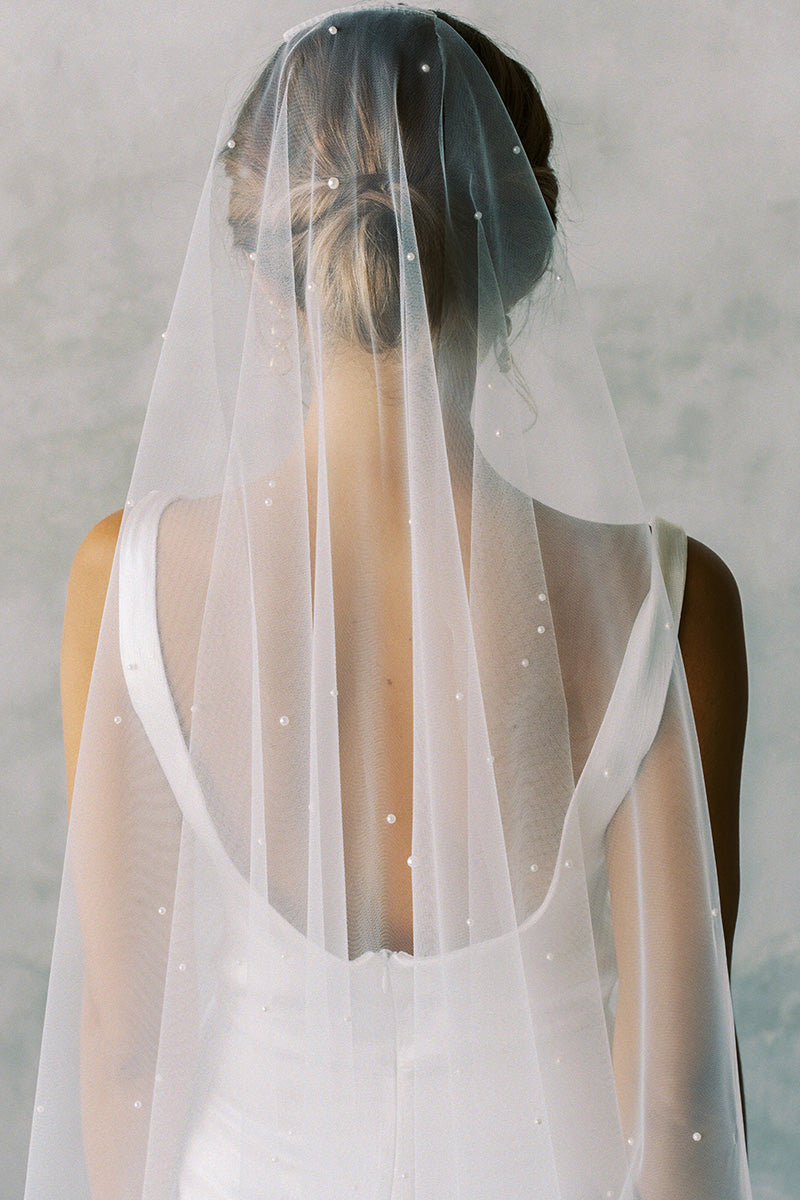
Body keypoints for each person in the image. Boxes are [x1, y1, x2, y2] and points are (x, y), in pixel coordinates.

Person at [26, 7, 751, 1199]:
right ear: (519, 255)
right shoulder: (663, 605)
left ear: (263, 271)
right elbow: (678, 1095)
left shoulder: (133, 581)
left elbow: (122, 1048)